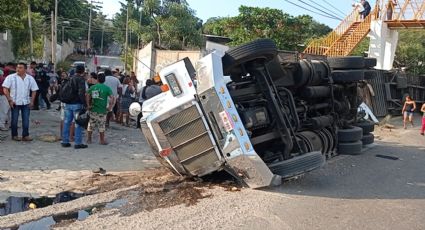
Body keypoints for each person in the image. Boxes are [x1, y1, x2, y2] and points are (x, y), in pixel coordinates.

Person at [2, 62, 39, 141]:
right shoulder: (11, 77)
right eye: (17, 67)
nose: (18, 69)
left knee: (26, 120)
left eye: (20, 68)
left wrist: (32, 101)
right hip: (14, 102)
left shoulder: (30, 78)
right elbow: (5, 88)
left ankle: (25, 135)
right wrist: (9, 99)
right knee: (14, 120)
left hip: (25, 102)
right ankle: (14, 135)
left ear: (25, 69)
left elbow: (34, 90)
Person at [61, 65, 88, 149]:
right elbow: (81, 92)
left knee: (66, 122)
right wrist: (84, 104)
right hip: (76, 104)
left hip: (68, 104)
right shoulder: (81, 79)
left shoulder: (70, 78)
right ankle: (78, 143)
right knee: (78, 123)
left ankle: (65, 141)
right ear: (83, 71)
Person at [86, 73, 114, 145]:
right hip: (102, 110)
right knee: (102, 125)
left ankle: (89, 139)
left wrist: (88, 105)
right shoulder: (107, 88)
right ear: (104, 80)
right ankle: (101, 140)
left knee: (91, 125)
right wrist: (110, 107)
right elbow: (112, 98)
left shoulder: (93, 87)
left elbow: (87, 95)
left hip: (93, 109)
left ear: (97, 79)